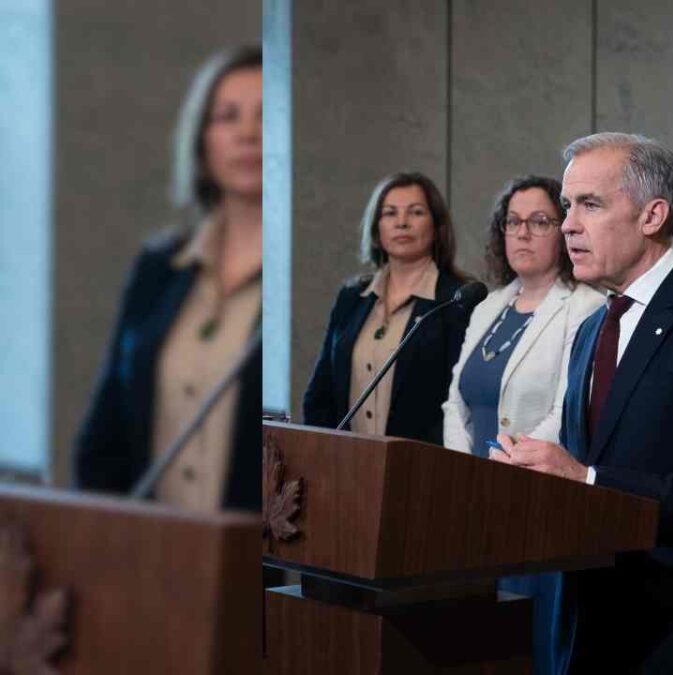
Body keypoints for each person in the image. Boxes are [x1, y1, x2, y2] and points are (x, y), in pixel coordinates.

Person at [491, 133, 673, 674]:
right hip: (587, 624)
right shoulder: (593, 328)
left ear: (652, 216)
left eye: (590, 205)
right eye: (567, 206)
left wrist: (588, 481)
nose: (569, 225)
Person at [74, 46, 263, 513]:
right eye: (227, 116)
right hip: (150, 557)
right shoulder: (158, 268)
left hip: (259, 570)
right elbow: (104, 436)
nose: (247, 133)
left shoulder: (306, 281)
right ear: (201, 141)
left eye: (266, 115)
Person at [441, 175, 603, 674]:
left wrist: (503, 472)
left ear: (564, 231)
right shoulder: (487, 304)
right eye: (513, 222)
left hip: (536, 503)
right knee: (479, 645)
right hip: (469, 505)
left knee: (531, 644)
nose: (523, 233)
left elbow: (567, 407)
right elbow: (455, 401)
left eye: (539, 221)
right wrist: (460, 474)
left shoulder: (586, 306)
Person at [302, 172, 470, 444]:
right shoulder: (351, 298)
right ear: (376, 229)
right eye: (390, 213)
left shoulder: (456, 302)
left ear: (437, 226)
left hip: (420, 467)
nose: (401, 223)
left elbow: (461, 404)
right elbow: (320, 395)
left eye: (415, 212)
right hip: (343, 465)